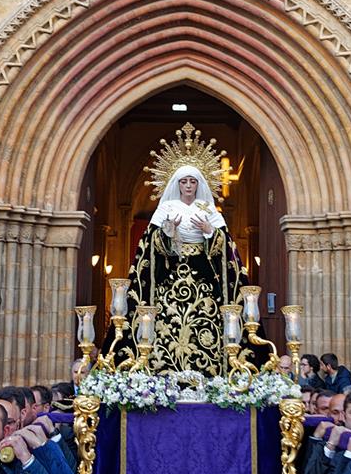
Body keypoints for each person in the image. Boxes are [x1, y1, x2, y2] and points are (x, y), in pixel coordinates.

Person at [105, 134, 250, 377]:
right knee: (164, 324)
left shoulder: (209, 210)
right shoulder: (165, 209)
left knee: (205, 322)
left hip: (203, 277)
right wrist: (167, 233)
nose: (189, 186)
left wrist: (210, 232)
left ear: (199, 184)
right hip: (170, 278)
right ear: (177, 184)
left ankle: (211, 373)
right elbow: (149, 247)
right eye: (184, 182)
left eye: (193, 181)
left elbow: (227, 250)